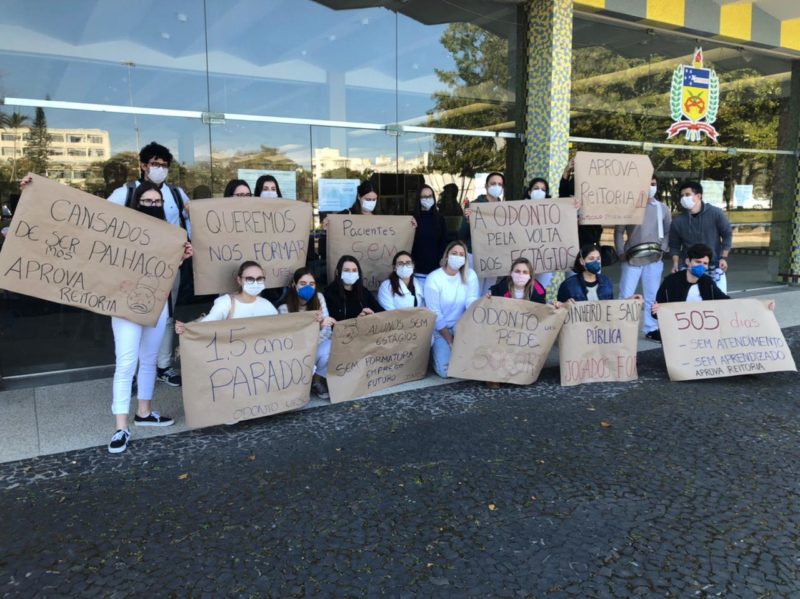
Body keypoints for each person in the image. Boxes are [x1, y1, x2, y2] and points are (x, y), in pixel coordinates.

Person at [108, 182, 193, 453]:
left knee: (148, 361)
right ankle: (121, 427)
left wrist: (181, 258)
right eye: (147, 201)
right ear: (136, 203)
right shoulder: (121, 232)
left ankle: (144, 412)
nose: (153, 206)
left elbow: (162, 271)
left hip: (158, 304)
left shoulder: (171, 235)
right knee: (126, 363)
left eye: (157, 202)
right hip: (125, 307)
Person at [107, 141, 190, 387]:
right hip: (131, 269)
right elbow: (99, 218)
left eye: (164, 165)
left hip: (168, 267)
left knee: (166, 316)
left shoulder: (177, 194)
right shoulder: (126, 192)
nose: (159, 169)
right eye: (155, 164)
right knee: (131, 315)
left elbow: (195, 223)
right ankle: (131, 373)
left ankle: (163, 365)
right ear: (143, 165)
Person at [615, 176, 672, 341]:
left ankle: (651, 328)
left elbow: (668, 230)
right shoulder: (629, 208)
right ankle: (621, 328)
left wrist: (663, 248)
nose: (650, 187)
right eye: (647, 184)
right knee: (626, 294)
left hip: (653, 259)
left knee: (652, 295)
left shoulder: (662, 208)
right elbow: (619, 231)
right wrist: (620, 252)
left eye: (653, 184)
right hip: (631, 259)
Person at [649, 244, 730, 340]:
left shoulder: (707, 282)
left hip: (704, 333)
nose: (701, 266)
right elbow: (656, 312)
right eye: (698, 262)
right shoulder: (671, 282)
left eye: (705, 263)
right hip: (678, 334)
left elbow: (724, 301)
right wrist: (657, 310)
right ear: (688, 261)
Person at [423, 241, 480, 378]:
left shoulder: (470, 275)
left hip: (460, 325)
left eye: (462, 255)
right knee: (447, 372)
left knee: (470, 365)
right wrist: (450, 341)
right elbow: (435, 314)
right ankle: (434, 353)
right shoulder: (434, 279)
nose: (458, 257)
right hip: (439, 329)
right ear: (447, 256)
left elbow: (471, 300)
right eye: (454, 253)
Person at [278, 268, 335, 399]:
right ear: (294, 285)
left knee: (330, 348)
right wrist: (315, 329)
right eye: (302, 284)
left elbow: (327, 331)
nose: (307, 287)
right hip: (296, 352)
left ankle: (316, 381)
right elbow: (290, 340)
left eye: (312, 284)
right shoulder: (284, 308)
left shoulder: (319, 298)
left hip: (316, 345)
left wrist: (318, 331)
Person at [175, 261, 278, 331]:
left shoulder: (267, 305)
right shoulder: (226, 302)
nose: (255, 283)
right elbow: (209, 322)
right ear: (239, 280)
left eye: (259, 279)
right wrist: (188, 329)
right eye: (250, 279)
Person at [669, 181, 733, 293]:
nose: (684, 198)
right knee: (690, 302)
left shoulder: (715, 213)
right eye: (682, 196)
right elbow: (674, 245)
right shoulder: (678, 221)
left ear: (698, 196)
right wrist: (675, 263)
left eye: (687, 195)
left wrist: (723, 257)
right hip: (689, 268)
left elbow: (727, 234)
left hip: (714, 266)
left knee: (718, 303)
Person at [559, 156, 603, 249]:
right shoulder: (574, 180)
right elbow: (563, 194)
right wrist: (567, 169)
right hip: (571, 232)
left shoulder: (595, 183)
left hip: (589, 233)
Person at [323, 255, 384, 321]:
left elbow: (381, 312)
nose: (351, 273)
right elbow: (331, 324)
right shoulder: (329, 294)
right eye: (346, 270)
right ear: (337, 272)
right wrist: (356, 321)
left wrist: (373, 315)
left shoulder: (364, 292)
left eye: (354, 270)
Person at [522, 177, 556, 289]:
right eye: (536, 188)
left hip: (544, 257)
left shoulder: (553, 210)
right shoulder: (518, 209)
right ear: (529, 192)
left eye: (543, 189)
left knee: (539, 290)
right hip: (523, 257)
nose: (539, 191)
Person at [459, 171, 504, 252]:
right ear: (486, 186)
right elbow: (461, 235)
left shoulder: (505, 209)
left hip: (497, 254)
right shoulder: (473, 206)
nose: (497, 187)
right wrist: (467, 220)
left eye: (500, 184)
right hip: (476, 254)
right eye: (493, 184)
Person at [411, 185, 448, 279]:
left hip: (436, 269)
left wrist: (442, 260)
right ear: (418, 199)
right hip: (417, 271)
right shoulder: (412, 219)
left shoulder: (440, 219)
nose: (427, 199)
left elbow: (443, 242)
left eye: (430, 196)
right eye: (424, 197)